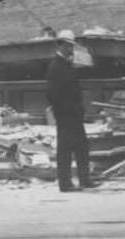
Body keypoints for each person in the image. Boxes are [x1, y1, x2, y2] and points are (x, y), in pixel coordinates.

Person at [45, 28, 96, 192]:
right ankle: (65, 183)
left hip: (74, 114)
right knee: (65, 150)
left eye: (71, 46)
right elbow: (53, 94)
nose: (70, 49)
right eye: (68, 46)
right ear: (60, 45)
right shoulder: (55, 67)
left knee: (81, 147)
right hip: (66, 115)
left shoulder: (67, 65)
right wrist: (64, 112)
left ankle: (84, 179)